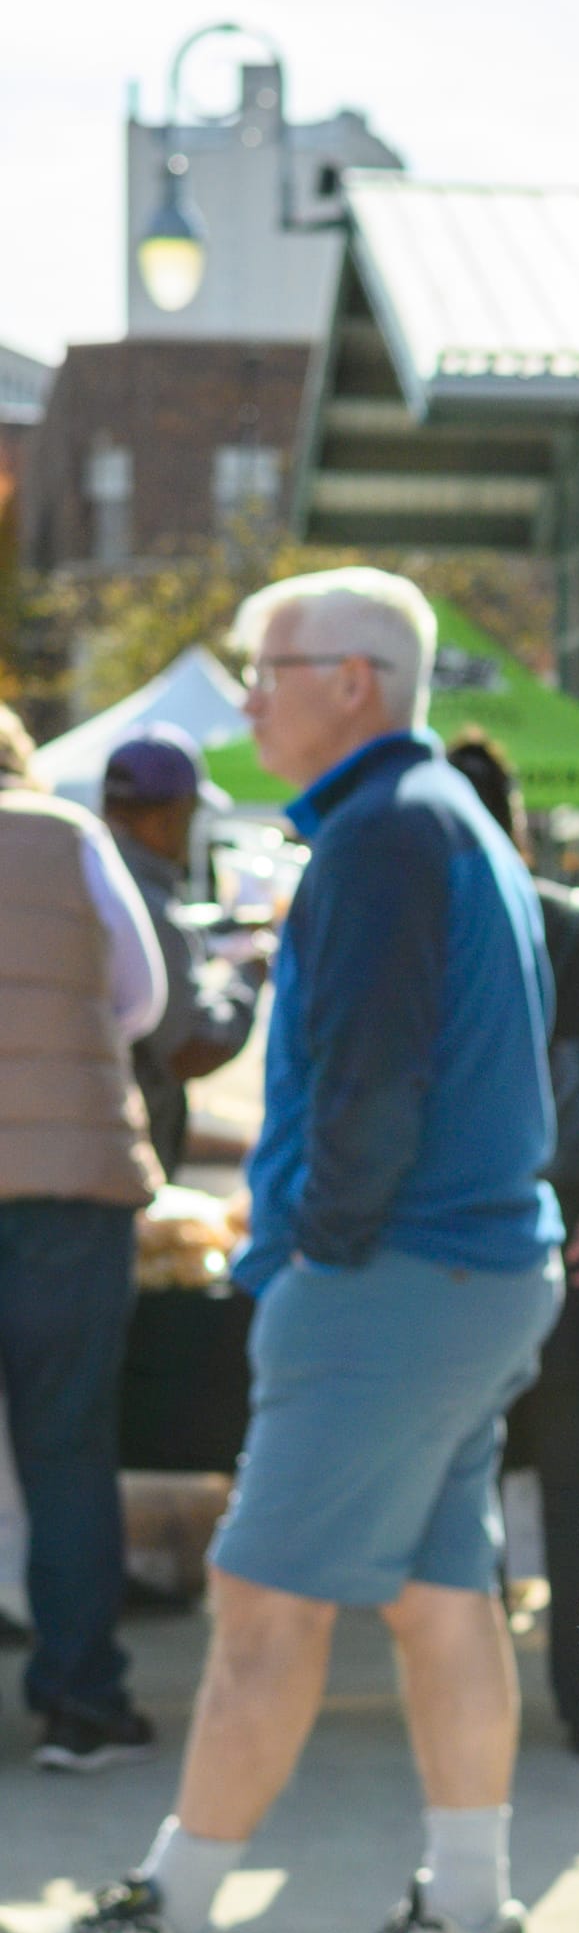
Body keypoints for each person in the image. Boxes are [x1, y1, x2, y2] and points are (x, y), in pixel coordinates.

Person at [0, 570, 564, 1933]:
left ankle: (169, 1923)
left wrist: (314, 1243)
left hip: (394, 1276)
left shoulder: (384, 836)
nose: (246, 695)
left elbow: (372, 1083)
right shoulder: (435, 823)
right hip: (471, 1270)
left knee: (263, 1599)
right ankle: (471, 1913)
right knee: (444, 1600)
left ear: (356, 683)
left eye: (268, 667)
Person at [447, 731, 579, 1755]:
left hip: (459, 1244)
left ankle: (463, 1708)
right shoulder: (576, 921)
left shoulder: (427, 922)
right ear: (518, 817)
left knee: (462, 1480)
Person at [0, 698, 166, 1770]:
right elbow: (143, 998)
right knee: (65, 1449)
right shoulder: (69, 837)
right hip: (69, 1190)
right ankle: (80, 1701)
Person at [100, 725, 266, 1181]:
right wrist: (249, 974)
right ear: (167, 817)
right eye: (190, 816)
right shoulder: (144, 904)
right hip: (122, 1159)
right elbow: (191, 1050)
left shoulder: (86, 873)